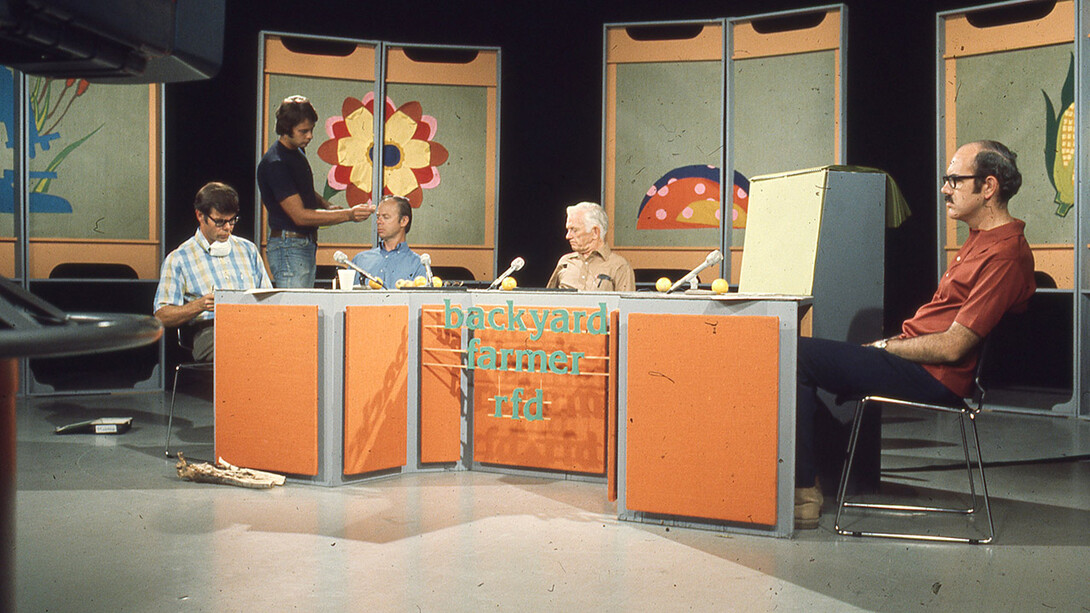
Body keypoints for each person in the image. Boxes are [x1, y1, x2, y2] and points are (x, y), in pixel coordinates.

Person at [794, 140, 1036, 529]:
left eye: (955, 180)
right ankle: (807, 480)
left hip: (936, 376)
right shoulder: (980, 238)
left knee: (796, 356)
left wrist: (887, 347)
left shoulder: (1005, 254)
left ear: (988, 187)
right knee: (795, 354)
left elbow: (956, 345)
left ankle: (802, 492)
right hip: (921, 363)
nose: (945, 189)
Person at [257, 95, 375, 288]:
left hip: (302, 244)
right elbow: (300, 216)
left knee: (305, 308)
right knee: (296, 312)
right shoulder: (275, 163)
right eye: (303, 131)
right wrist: (348, 214)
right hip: (290, 246)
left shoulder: (296, 152)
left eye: (311, 130)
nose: (310, 136)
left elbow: (302, 190)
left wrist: (326, 204)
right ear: (286, 130)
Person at [154, 182, 272, 361]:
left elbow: (269, 297)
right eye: (220, 222)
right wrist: (199, 305)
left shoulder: (248, 250)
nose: (227, 228)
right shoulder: (179, 258)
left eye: (232, 220)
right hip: (211, 331)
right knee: (243, 351)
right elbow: (162, 315)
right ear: (200, 216)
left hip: (253, 326)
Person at [546, 201, 635, 291]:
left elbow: (627, 304)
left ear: (595, 232)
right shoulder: (565, 262)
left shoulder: (619, 266)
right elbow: (546, 301)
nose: (568, 236)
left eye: (574, 230)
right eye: (568, 230)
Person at [350, 195, 426, 288]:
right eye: (378, 217)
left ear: (404, 221)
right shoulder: (360, 260)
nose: (379, 221)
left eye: (385, 217)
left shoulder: (418, 264)